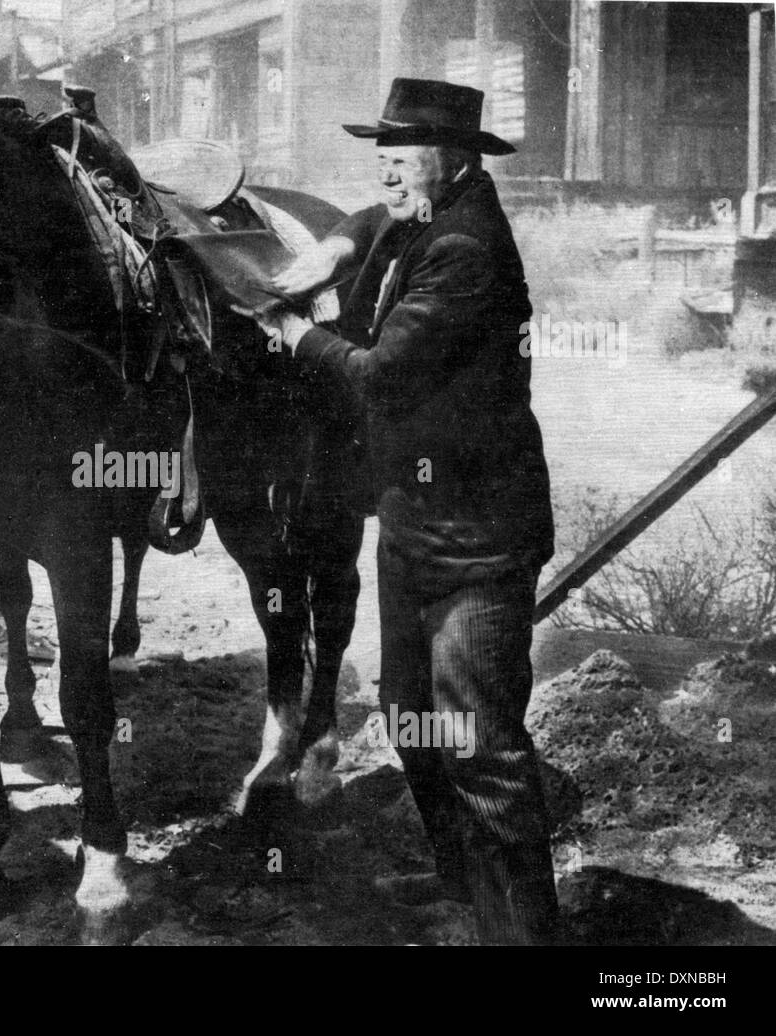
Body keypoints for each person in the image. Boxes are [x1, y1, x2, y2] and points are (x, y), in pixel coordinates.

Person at [246, 78, 560, 945]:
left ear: (453, 158)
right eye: (380, 144)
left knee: (480, 747)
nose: (385, 162)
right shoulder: (427, 209)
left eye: (403, 146)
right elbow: (374, 217)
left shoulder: (468, 250)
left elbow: (381, 374)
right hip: (416, 524)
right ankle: (462, 888)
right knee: (412, 722)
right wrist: (337, 248)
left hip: (480, 541)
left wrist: (296, 335)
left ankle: (528, 936)